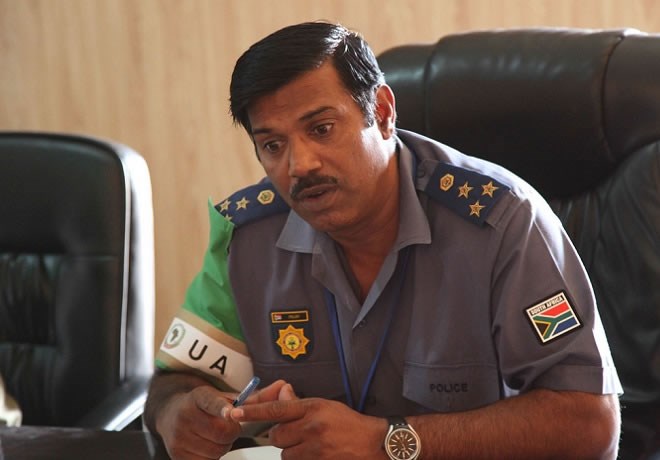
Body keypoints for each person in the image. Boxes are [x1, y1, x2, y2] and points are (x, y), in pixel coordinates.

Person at [144, 21, 622, 459]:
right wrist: (178, 413)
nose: (299, 165)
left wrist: (388, 441)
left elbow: (591, 423)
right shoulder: (247, 237)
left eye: (321, 129)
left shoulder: (501, 222)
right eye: (273, 144)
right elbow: (175, 381)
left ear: (383, 112)